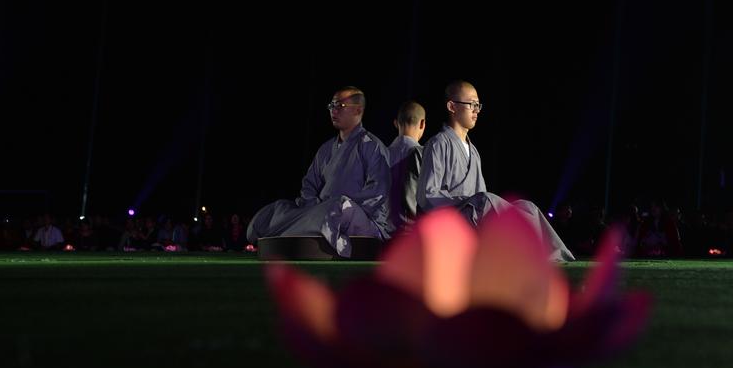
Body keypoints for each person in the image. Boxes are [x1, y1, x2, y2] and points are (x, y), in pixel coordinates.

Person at [416, 80, 574, 262]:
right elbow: (426, 196)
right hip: (450, 220)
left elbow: (479, 195)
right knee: (485, 200)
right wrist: (467, 203)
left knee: (526, 207)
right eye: (471, 104)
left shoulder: (473, 151)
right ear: (452, 106)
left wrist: (475, 203)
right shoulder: (438, 144)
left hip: (473, 215)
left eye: (478, 105)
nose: (476, 110)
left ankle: (555, 257)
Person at [246, 86, 392, 257]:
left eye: (340, 106)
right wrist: (314, 206)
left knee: (339, 206)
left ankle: (291, 231)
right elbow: (309, 185)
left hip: (360, 218)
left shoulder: (371, 145)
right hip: (321, 211)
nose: (333, 111)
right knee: (277, 209)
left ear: (358, 110)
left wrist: (335, 206)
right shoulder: (326, 149)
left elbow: (377, 193)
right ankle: (301, 226)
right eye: (331, 106)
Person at [386, 100, 426, 233]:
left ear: (396, 123)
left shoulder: (380, 155)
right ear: (422, 124)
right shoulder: (425, 156)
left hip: (381, 237)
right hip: (412, 237)